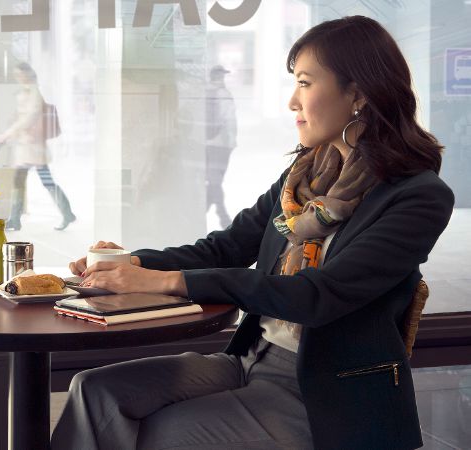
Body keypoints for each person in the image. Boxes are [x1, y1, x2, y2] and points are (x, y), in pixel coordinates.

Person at [52, 16, 452, 450]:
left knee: (167, 433)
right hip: (249, 358)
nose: (292, 102)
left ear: (357, 93)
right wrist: (133, 264)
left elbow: (317, 295)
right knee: (96, 390)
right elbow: (224, 248)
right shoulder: (301, 180)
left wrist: (167, 282)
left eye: (304, 83)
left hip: (326, 394)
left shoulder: (418, 197)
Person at [0, 62, 75, 231]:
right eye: (16, 75)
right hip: (27, 147)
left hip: (34, 148)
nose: (18, 77)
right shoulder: (27, 91)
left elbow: (29, 118)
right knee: (23, 181)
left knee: (44, 182)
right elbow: (22, 118)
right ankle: (16, 219)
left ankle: (66, 213)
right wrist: (10, 133)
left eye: (21, 74)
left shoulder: (33, 92)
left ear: (28, 74)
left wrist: (8, 134)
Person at [205, 64, 238, 229]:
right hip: (221, 144)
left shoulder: (205, 93)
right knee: (215, 182)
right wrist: (232, 142)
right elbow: (229, 120)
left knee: (213, 181)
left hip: (208, 143)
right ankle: (224, 218)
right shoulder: (222, 94)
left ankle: (205, 210)